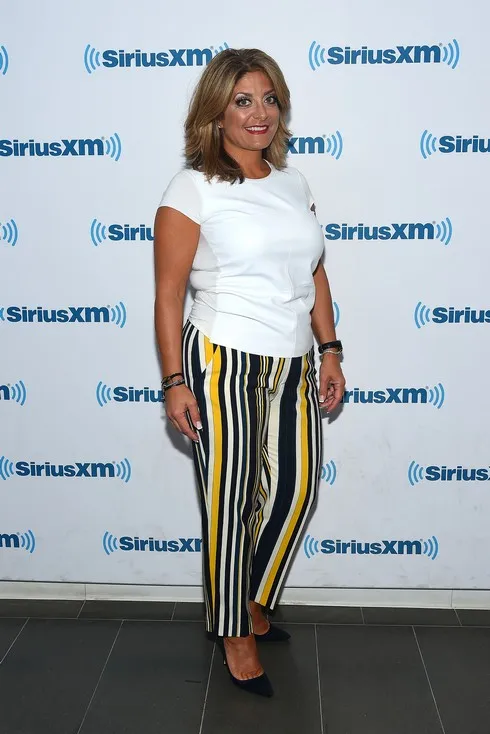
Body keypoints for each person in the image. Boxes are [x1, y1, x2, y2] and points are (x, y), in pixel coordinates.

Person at [153, 48, 345, 698]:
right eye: (243, 100)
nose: (259, 113)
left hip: (293, 359)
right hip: (221, 356)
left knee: (294, 492)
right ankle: (236, 629)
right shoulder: (192, 187)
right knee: (230, 499)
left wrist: (330, 348)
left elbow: (314, 271)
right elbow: (168, 292)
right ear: (216, 111)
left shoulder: (293, 183)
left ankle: (252, 596)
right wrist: (174, 380)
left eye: (269, 99)